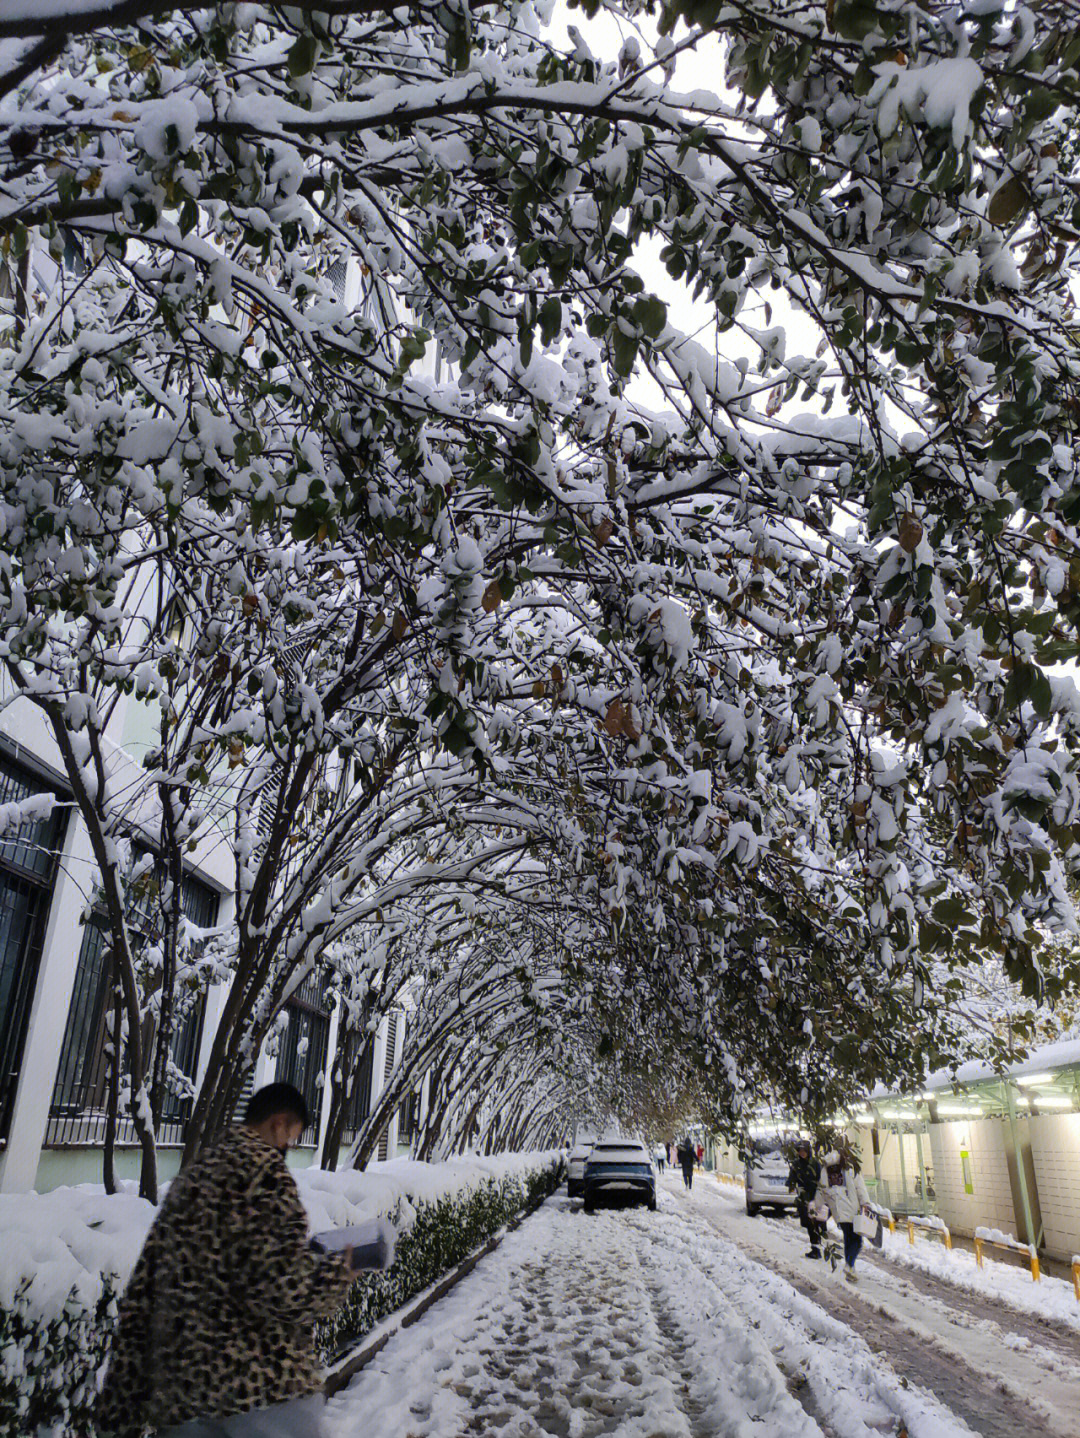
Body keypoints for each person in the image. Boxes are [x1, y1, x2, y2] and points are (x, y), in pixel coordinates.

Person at [95, 1083, 359, 1438]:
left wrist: (118, 1414)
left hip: (182, 1399)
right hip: (261, 1398)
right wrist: (339, 1272)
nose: (288, 1148)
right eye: (293, 1138)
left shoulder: (192, 1178)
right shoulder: (266, 1175)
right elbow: (283, 1287)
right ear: (279, 1124)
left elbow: (143, 1295)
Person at [815, 1148, 871, 1281]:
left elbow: (821, 1191)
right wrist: (866, 1203)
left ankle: (851, 1270)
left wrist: (817, 1206)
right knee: (857, 1241)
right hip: (852, 1210)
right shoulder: (850, 1168)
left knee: (848, 1238)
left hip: (838, 1212)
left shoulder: (824, 1171)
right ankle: (849, 1264)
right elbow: (860, 1187)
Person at [787, 1138, 824, 1259]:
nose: (802, 1153)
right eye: (800, 1150)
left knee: (814, 1221)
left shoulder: (815, 1163)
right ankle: (815, 1246)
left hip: (815, 1196)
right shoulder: (796, 1164)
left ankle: (816, 1248)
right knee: (808, 1223)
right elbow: (792, 1177)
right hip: (804, 1197)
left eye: (804, 1150)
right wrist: (791, 1185)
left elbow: (821, 1179)